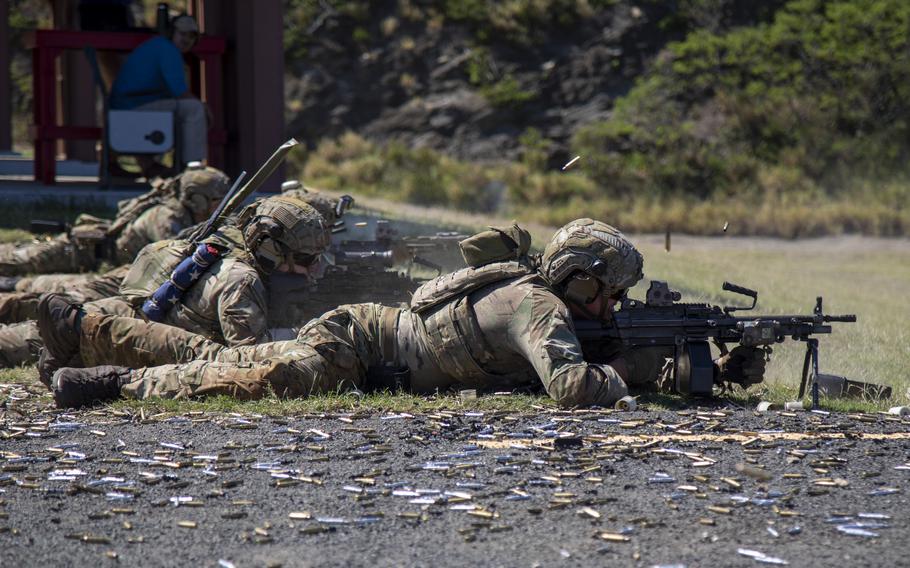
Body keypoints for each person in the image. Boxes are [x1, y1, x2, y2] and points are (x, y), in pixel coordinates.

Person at [40, 219, 768, 408]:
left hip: (372, 350)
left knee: (221, 363)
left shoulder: (559, 307)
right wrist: (636, 371)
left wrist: (709, 368)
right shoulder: (538, 306)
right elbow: (575, 388)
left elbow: (600, 359)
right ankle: (102, 376)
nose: (613, 306)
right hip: (357, 347)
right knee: (237, 377)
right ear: (579, 280)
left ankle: (77, 337)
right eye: (607, 290)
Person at [36, 193, 332, 384]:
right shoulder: (242, 279)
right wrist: (304, 333)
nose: (312, 269)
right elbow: (248, 355)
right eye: (306, 259)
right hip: (138, 340)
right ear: (269, 250)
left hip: (139, 318)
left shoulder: (232, 248)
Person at [0, 164, 230, 278]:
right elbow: (174, 256)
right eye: (216, 200)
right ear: (196, 199)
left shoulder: (188, 216)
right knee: (17, 261)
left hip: (98, 255)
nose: (221, 205)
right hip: (84, 250)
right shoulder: (166, 217)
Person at [108, 13, 207, 177]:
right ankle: (192, 169)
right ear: (171, 32)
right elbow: (180, 92)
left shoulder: (159, 46)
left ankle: (154, 165)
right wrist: (204, 107)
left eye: (191, 36)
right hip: (131, 108)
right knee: (194, 109)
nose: (187, 40)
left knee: (185, 111)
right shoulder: (168, 50)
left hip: (127, 106)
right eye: (182, 34)